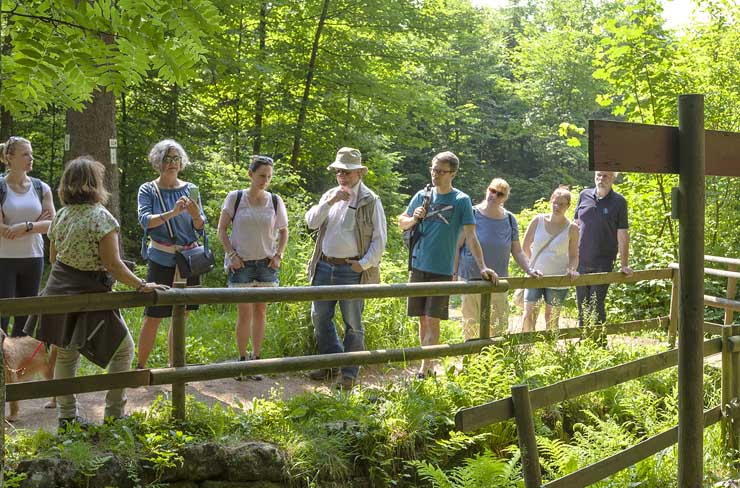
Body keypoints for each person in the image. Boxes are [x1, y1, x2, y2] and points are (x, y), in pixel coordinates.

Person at [23, 156, 167, 429]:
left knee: (66, 355)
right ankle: (114, 414)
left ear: (67, 185)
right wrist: (141, 284)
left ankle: (67, 418)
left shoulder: (62, 215)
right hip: (90, 294)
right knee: (124, 350)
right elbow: (113, 263)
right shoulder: (101, 217)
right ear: (95, 184)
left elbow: (54, 258)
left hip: (58, 292)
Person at [399, 151, 495, 378]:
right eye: (433, 169)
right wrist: (414, 218)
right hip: (418, 265)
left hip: (441, 269)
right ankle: (428, 365)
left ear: (452, 173)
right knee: (422, 319)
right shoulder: (422, 196)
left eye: (441, 171)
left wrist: (482, 266)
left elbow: (471, 237)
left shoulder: (461, 200)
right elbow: (402, 222)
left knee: (433, 319)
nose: (435, 175)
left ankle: (424, 370)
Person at [305, 147, 387, 390]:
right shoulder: (330, 195)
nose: (342, 176)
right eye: (339, 171)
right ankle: (333, 362)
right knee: (319, 317)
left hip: (350, 270)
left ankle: (349, 373)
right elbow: (311, 222)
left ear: (359, 172)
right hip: (323, 266)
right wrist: (330, 202)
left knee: (353, 323)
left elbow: (379, 240)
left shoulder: (370, 200)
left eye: (347, 172)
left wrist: (362, 264)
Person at [217, 155, 288, 381]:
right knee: (244, 312)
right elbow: (221, 230)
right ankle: (242, 360)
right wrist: (232, 255)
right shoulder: (235, 198)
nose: (265, 181)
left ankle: (257, 359)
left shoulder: (275, 201)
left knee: (261, 311)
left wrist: (279, 255)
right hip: (242, 264)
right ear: (250, 175)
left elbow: (284, 231)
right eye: (261, 176)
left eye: (268, 177)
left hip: (266, 264)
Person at [137, 139, 205, 368]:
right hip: (161, 259)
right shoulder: (149, 190)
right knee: (153, 316)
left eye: (176, 159)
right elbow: (145, 221)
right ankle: (140, 367)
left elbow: (200, 227)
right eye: (167, 159)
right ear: (158, 162)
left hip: (189, 260)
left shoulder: (191, 189)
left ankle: (173, 366)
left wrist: (196, 215)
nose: (172, 163)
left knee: (182, 316)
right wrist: (173, 212)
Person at [455, 178, 539, 339]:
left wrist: (529, 269)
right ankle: (471, 361)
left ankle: (493, 362)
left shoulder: (510, 219)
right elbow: (457, 247)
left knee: (497, 325)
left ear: (505, 198)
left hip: (498, 280)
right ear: (487, 189)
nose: (494, 195)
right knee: (471, 324)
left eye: (500, 194)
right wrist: (453, 274)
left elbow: (517, 250)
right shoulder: (471, 213)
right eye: (492, 190)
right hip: (470, 277)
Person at [0, 136, 55, 337]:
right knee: (2, 314)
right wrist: (37, 223)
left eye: (31, 154)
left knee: (26, 316)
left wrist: (26, 226)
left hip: (33, 257)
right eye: (25, 154)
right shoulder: (1, 187)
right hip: (3, 258)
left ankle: (19, 364)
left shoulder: (42, 188)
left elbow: (52, 225)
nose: (31, 158)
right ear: (9, 158)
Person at [573, 171, 632, 328]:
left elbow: (622, 234)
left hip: (603, 262)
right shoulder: (584, 195)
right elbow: (575, 226)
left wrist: (624, 264)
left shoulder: (619, 202)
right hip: (580, 260)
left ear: (613, 178)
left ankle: (600, 343)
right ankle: (583, 340)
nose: (601, 179)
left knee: (596, 304)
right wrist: (569, 257)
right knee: (582, 304)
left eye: (605, 176)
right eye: (598, 175)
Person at [521, 186, 579, 332]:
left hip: (557, 279)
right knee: (528, 315)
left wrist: (572, 270)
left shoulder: (572, 228)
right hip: (535, 276)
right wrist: (532, 267)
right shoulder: (538, 220)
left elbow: (573, 256)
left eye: (561, 204)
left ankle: (550, 350)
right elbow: (525, 247)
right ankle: (525, 350)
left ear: (568, 206)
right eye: (555, 202)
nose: (557, 206)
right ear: (550, 201)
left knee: (551, 318)